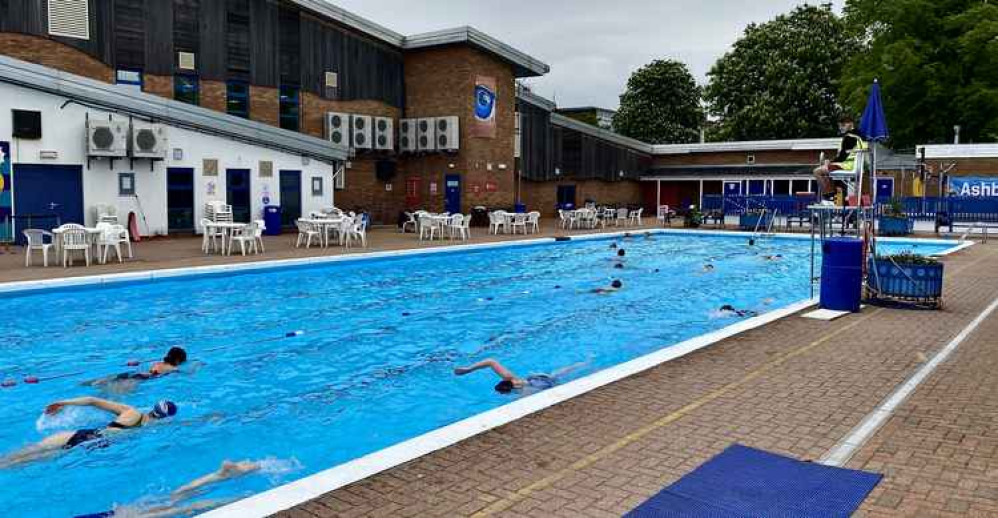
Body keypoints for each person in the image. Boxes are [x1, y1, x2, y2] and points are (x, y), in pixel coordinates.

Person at [0, 397, 178, 468]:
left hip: (88, 435)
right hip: (96, 446)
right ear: (165, 418)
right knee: (30, 461)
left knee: (31, 450)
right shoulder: (154, 429)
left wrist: (63, 402)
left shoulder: (132, 412)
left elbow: (92, 401)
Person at [73, 460, 261, 518]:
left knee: (181, 508)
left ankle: (235, 499)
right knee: (175, 498)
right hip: (114, 513)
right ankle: (218, 476)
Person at [454, 358, 588, 395]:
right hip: (539, 378)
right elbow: (491, 361)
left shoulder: (524, 393)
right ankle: (584, 363)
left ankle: (584, 364)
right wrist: (468, 369)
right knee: (560, 373)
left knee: (558, 376)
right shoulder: (510, 378)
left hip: (546, 383)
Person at [813, 114, 867, 200]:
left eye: (843, 125)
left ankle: (830, 196)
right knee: (828, 171)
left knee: (817, 171)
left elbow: (843, 157)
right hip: (857, 166)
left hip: (847, 165)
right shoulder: (861, 136)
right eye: (840, 126)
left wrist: (830, 162)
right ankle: (836, 194)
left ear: (850, 124)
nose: (841, 128)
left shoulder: (849, 137)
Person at [85, 347, 188, 387]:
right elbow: (184, 374)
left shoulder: (157, 363)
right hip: (140, 379)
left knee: (106, 381)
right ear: (178, 360)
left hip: (135, 374)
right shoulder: (173, 369)